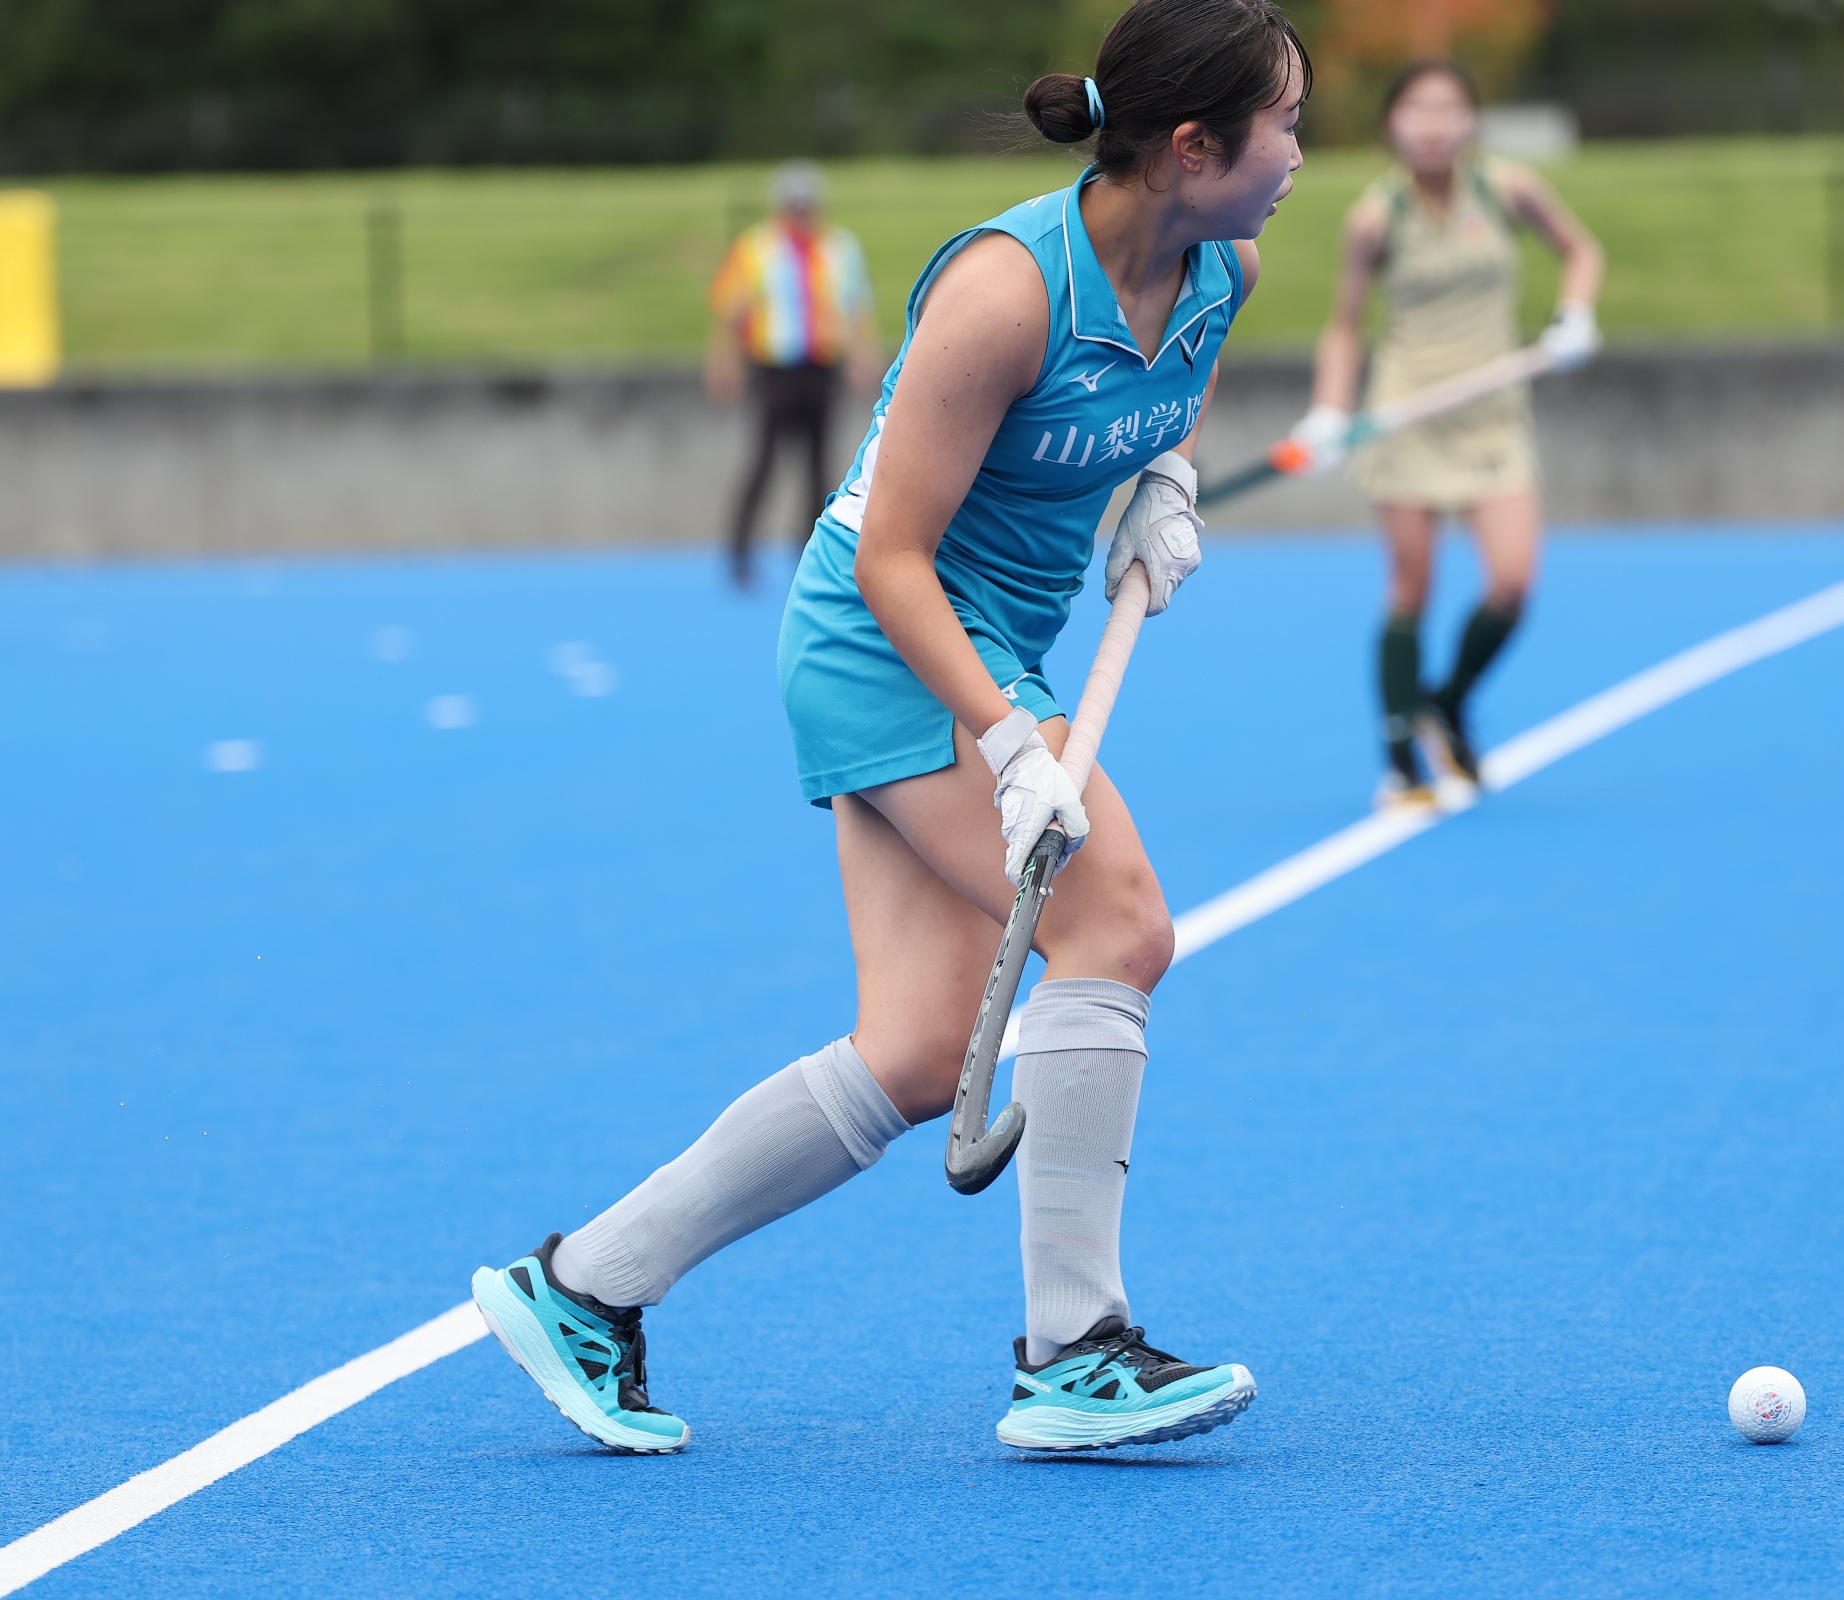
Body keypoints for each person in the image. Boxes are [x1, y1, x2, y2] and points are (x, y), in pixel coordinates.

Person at [471, 0, 1309, 1456]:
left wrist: (1165, 486)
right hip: (891, 647)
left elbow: (1170, 400)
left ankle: (586, 1284)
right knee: (1116, 924)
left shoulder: (1221, 265)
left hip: (993, 645)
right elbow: (891, 558)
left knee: (918, 1053)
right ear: (1193, 146)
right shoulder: (1005, 292)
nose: (1299, 155)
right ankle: (1075, 1350)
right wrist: (1010, 744)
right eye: (1284, 125)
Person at [1294, 61, 1602, 799]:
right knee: (1412, 587)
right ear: (1391, 123)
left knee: (1513, 583)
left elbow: (1581, 251)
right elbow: (1344, 326)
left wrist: (1573, 315)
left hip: (1493, 415)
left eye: (1448, 107)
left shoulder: (1508, 188)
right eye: (1416, 108)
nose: (1433, 124)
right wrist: (1330, 412)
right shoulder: (1375, 217)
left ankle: (1448, 700)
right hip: (1408, 413)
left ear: (1471, 120)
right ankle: (1401, 759)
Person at [706, 161, 882, 588]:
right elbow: (730, 311)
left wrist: (863, 355)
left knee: (819, 464)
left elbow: (857, 306)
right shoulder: (755, 248)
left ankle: (809, 552)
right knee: (765, 458)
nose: (801, 212)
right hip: (776, 369)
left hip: (822, 366)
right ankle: (740, 552)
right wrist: (724, 362)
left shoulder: (840, 247)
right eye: (794, 205)